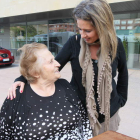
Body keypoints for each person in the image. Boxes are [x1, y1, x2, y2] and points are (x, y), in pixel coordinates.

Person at [7, 0, 128, 136]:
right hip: (79, 113)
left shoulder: (115, 44)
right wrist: (22, 78)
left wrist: (122, 99)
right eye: (80, 29)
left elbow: (123, 72)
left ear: (102, 27)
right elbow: (50, 65)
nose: (82, 35)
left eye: (87, 30)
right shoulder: (74, 43)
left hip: (109, 114)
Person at [0, 43, 93, 139]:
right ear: (35, 72)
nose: (58, 64)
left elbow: (84, 121)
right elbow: (3, 134)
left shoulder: (65, 86)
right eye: (51, 62)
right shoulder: (17, 96)